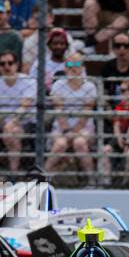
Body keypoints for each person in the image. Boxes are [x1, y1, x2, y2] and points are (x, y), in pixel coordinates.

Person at [45, 52, 98, 181]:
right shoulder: (58, 85)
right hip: (61, 128)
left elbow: (87, 110)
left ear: (82, 67)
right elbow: (59, 109)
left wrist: (75, 131)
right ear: (64, 67)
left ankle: (92, 180)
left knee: (79, 142)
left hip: (84, 128)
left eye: (77, 64)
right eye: (69, 64)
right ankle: (42, 178)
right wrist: (67, 130)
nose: (73, 67)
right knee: (60, 144)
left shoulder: (89, 86)